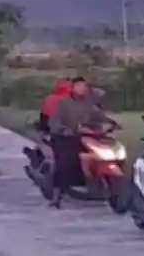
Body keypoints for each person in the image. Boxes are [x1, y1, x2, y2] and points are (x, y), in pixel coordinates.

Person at [47, 77, 111, 207]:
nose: (82, 89)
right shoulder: (63, 103)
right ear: (73, 87)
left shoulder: (88, 104)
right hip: (65, 137)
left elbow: (100, 116)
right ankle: (57, 195)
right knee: (65, 161)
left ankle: (100, 185)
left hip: (86, 136)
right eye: (80, 86)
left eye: (84, 86)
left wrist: (110, 123)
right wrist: (65, 130)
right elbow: (54, 122)